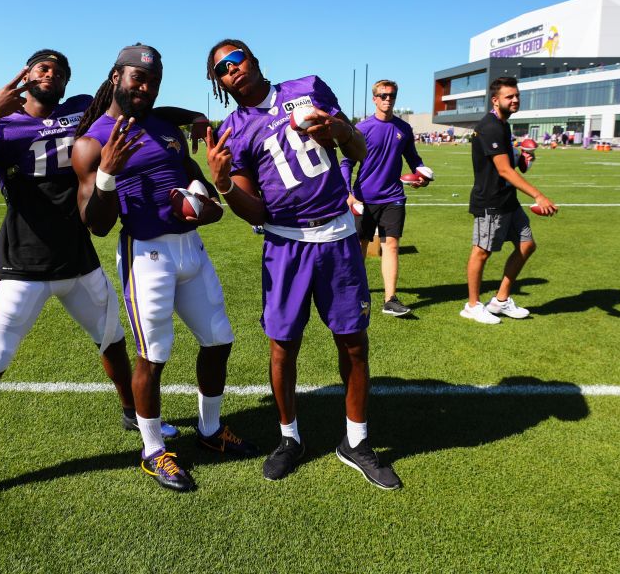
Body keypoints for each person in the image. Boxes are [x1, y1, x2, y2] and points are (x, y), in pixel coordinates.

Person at [0, 48, 201, 532]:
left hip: (77, 260)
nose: (52, 74)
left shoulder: (80, 109)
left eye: (60, 69)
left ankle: (129, 414)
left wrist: (196, 116)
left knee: (114, 343)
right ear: (27, 74)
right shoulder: (2, 121)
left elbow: (146, 109)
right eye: (43, 67)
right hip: (24, 264)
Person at [203, 39, 401, 490]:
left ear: (254, 60)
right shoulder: (233, 128)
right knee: (282, 346)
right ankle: (289, 438)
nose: (233, 70)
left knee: (353, 342)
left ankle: (356, 440)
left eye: (237, 60)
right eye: (222, 69)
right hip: (286, 244)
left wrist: (337, 131)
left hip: (336, 234)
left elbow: (358, 152)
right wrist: (223, 185)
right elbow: (255, 211)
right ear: (219, 82)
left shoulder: (308, 86)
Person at [72, 43, 257, 494]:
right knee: (152, 356)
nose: (146, 87)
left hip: (190, 250)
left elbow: (202, 192)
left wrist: (204, 206)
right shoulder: (91, 141)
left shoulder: (164, 126)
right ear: (116, 77)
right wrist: (108, 175)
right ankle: (153, 451)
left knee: (219, 340)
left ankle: (209, 431)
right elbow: (94, 224)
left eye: (153, 80)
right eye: (138, 78)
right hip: (146, 254)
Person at [461, 77, 558, 325]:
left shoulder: (503, 125)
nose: (515, 100)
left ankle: (500, 301)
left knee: (527, 245)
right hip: (490, 202)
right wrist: (538, 195)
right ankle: (472, 306)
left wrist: (523, 158)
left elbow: (508, 164)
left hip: (508, 200)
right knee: (481, 252)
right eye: (509, 96)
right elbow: (503, 170)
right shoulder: (491, 126)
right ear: (495, 100)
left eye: (516, 95)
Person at [339, 79, 428, 318]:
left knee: (392, 245)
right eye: (383, 95)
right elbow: (346, 162)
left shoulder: (403, 129)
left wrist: (421, 176)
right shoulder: (362, 128)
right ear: (374, 99)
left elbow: (414, 160)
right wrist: (347, 193)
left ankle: (390, 299)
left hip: (393, 197)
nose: (388, 99)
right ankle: (353, 293)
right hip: (364, 199)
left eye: (392, 95)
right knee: (360, 247)